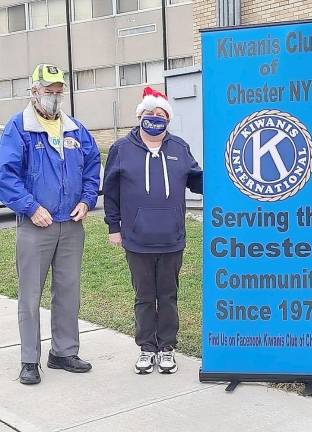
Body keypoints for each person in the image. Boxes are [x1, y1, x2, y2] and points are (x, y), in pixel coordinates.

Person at [0, 64, 101, 385]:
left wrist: (87, 200)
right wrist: (30, 207)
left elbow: (92, 165)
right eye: (49, 91)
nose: (55, 97)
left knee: (68, 291)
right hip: (36, 225)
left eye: (59, 91)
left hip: (71, 224)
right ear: (34, 92)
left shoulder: (76, 129)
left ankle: (63, 352)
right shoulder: (19, 127)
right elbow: (6, 174)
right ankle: (30, 360)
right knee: (30, 294)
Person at [103, 86, 202, 374]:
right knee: (144, 296)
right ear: (140, 116)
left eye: (160, 114)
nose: (154, 118)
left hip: (171, 238)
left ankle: (167, 347)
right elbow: (110, 191)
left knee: (169, 295)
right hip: (137, 240)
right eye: (149, 113)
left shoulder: (179, 147)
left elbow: (196, 180)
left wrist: (221, 177)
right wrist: (114, 227)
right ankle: (147, 347)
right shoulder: (121, 149)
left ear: (168, 119)